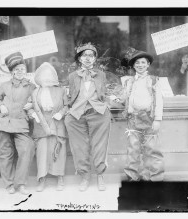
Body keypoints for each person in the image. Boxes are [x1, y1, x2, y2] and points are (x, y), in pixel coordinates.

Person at [64, 42, 111, 191]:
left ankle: (100, 176)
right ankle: (84, 176)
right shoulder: (72, 76)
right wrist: (68, 110)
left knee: (100, 145)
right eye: (84, 55)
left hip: (98, 113)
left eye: (91, 55)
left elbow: (105, 93)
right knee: (79, 147)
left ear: (95, 59)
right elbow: (69, 95)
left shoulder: (101, 75)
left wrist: (107, 104)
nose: (88, 58)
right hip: (77, 114)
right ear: (79, 59)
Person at [113, 49, 164, 181]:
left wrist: (157, 119)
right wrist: (115, 98)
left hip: (149, 118)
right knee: (133, 148)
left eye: (143, 63)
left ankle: (155, 177)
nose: (140, 65)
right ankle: (132, 176)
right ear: (133, 66)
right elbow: (124, 97)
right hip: (133, 119)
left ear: (148, 65)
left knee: (152, 149)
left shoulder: (153, 80)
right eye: (137, 63)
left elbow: (159, 101)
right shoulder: (129, 81)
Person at [0, 52, 36, 195]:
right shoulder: (4, 85)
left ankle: (21, 183)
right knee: (5, 153)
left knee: (27, 149)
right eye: (16, 70)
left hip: (21, 123)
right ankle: (9, 184)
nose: (19, 72)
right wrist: (0, 106)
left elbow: (38, 101)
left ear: (26, 71)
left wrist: (32, 105)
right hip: (4, 122)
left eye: (22, 69)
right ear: (11, 72)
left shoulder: (31, 87)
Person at [24, 62, 68, 192]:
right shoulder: (35, 92)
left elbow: (67, 105)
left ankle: (60, 178)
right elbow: (29, 108)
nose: (46, 79)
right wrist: (34, 115)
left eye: (49, 76)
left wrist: (61, 113)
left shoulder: (61, 90)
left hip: (57, 124)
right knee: (42, 152)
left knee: (58, 150)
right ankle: (41, 179)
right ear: (39, 78)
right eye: (43, 76)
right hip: (41, 126)